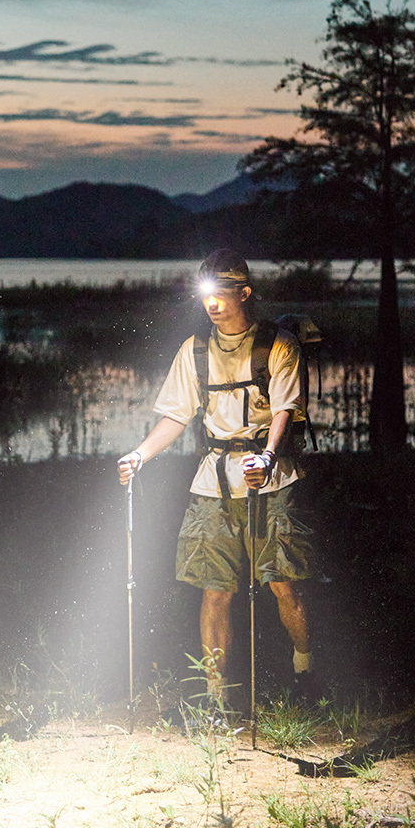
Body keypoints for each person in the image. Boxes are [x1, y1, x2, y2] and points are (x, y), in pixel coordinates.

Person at [117, 248, 317, 706]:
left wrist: (267, 458)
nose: (212, 302)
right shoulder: (196, 350)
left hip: (272, 479)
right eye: (205, 293)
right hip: (212, 483)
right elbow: (176, 415)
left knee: (284, 584)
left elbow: (286, 409)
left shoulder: (278, 345)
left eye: (222, 292)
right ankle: (214, 697)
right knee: (215, 591)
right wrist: (140, 455)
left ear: (244, 293)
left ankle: (305, 670)